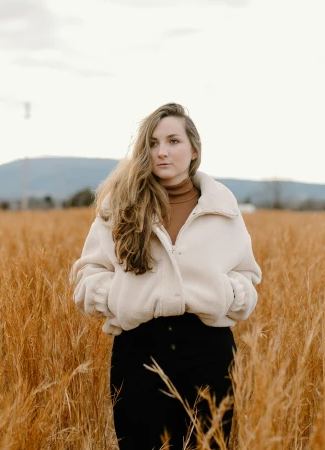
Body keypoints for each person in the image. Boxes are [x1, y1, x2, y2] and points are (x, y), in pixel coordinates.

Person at [70, 103, 262, 449]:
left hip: (209, 351)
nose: (162, 152)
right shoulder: (120, 205)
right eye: (153, 143)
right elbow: (89, 273)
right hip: (139, 350)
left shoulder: (222, 207)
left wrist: (229, 293)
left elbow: (247, 273)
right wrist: (116, 297)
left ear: (194, 150)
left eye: (173, 141)